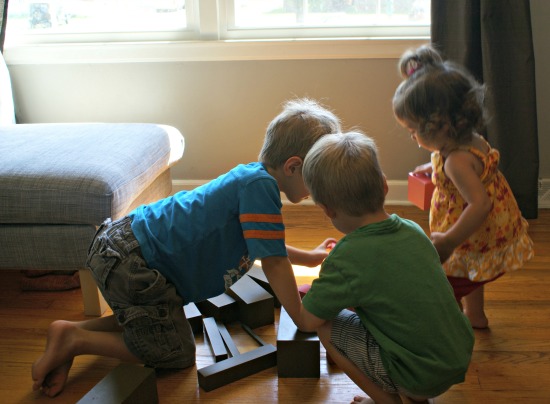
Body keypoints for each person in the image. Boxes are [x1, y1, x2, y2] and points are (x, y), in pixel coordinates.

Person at [31, 98, 340, 397]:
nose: (318, 191)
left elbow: (267, 244)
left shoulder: (253, 180)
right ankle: (76, 340)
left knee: (151, 319)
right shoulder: (261, 188)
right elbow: (273, 262)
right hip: (135, 264)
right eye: (318, 180)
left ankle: (71, 332)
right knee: (175, 351)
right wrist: (298, 314)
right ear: (293, 166)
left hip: (125, 250)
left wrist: (308, 257)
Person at [295, 131, 474, 404]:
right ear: (385, 185)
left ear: (327, 209)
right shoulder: (413, 229)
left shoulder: (345, 259)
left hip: (418, 375)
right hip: (457, 355)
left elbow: (307, 320)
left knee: (325, 326)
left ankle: (388, 401)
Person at [392, 44, 534, 329]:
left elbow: (480, 204)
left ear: (442, 126)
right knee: (471, 269)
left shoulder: (456, 162)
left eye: (412, 131)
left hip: (468, 231)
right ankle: (476, 316)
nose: (412, 138)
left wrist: (449, 240)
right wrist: (431, 166)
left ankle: (451, 324)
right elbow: (472, 169)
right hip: (489, 229)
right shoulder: (469, 138)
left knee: (447, 279)